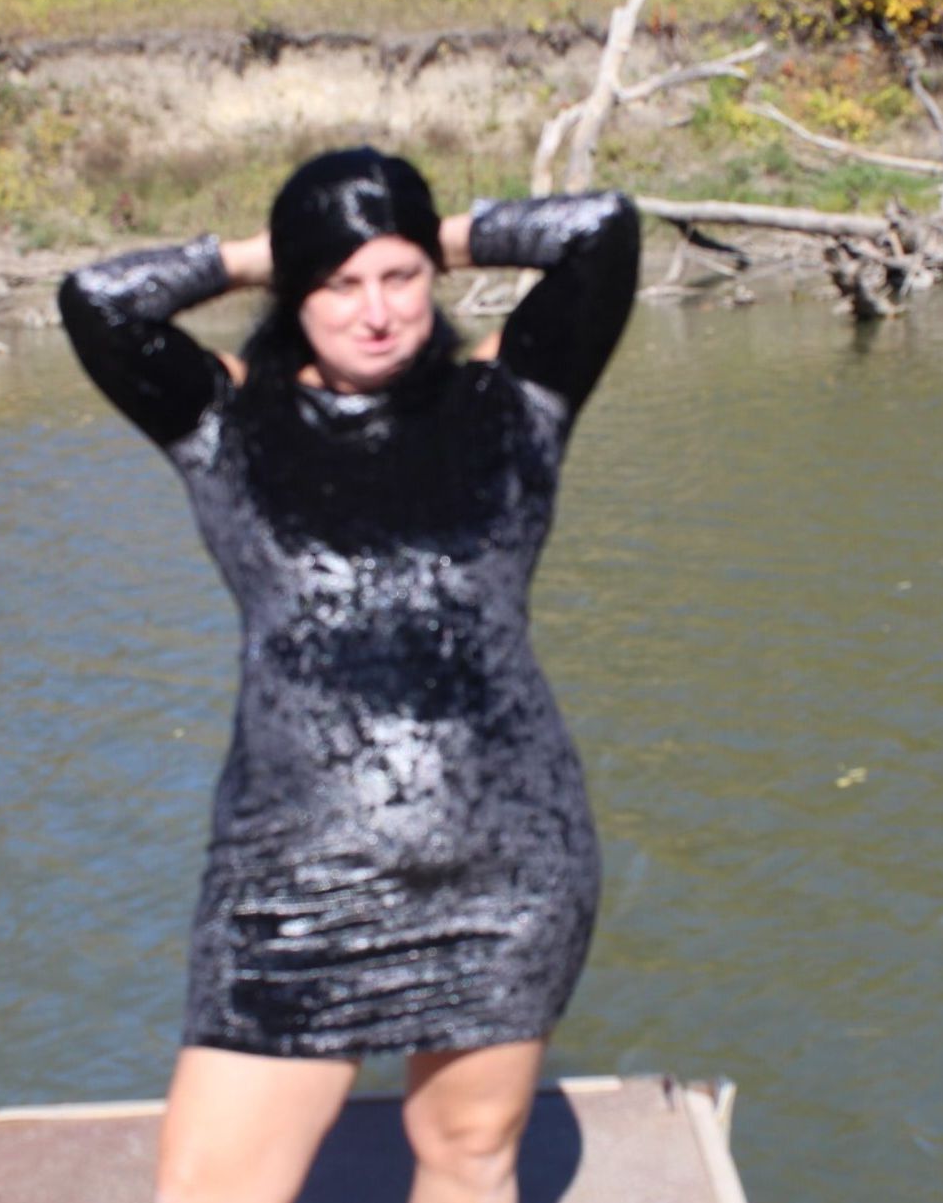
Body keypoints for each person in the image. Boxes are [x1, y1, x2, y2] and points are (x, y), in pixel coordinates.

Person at [58, 146, 640, 1203]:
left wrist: (421, 226)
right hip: (292, 875)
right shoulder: (223, 420)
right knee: (209, 1187)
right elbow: (96, 300)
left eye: (400, 276)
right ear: (294, 294)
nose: (375, 311)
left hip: (504, 863)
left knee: (469, 1160)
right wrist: (270, 251)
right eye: (337, 283)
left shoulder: (515, 400)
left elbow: (602, 231)